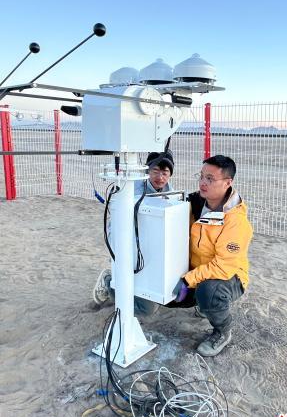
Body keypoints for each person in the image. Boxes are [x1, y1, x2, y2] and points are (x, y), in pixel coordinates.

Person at [171, 155, 253, 357]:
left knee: (209, 292)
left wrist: (188, 280)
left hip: (229, 276)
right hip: (197, 270)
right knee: (167, 295)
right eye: (201, 176)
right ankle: (202, 303)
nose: (202, 182)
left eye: (210, 178)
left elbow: (223, 266)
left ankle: (223, 331)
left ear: (227, 182)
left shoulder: (235, 222)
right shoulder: (196, 204)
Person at [92, 150, 174, 305]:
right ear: (147, 171)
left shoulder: (170, 191)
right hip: (125, 233)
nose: (160, 177)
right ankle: (108, 281)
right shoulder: (133, 189)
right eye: (155, 171)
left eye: (165, 173)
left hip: (147, 235)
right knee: (129, 274)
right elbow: (117, 223)